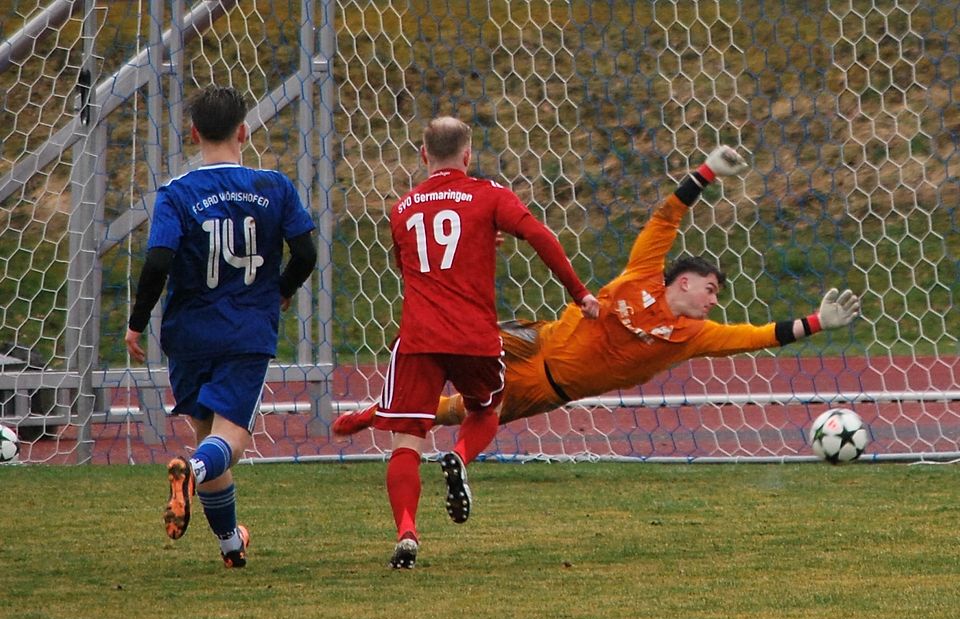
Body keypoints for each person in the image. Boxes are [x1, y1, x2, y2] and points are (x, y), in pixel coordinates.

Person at [333, 144, 861, 439]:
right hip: (533, 339)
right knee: (458, 344)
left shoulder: (693, 336)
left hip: (551, 389)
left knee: (456, 412)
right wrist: (705, 173)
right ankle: (392, 405)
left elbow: (758, 336)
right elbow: (665, 218)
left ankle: (379, 419)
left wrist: (816, 322)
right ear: (683, 280)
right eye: (711, 287)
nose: (714, 298)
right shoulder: (641, 273)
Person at [375, 116, 599, 569]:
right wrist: (580, 293)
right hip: (473, 335)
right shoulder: (489, 194)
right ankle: (459, 456)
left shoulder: (401, 209)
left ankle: (407, 532)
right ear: (468, 155)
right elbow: (540, 235)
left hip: (419, 337)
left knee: (407, 439)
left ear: (423, 155)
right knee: (486, 410)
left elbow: (410, 268)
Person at [125, 85, 317, 568]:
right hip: (245, 330)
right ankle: (189, 472)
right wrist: (282, 288)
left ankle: (231, 545)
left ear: (193, 133)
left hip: (188, 333)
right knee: (229, 441)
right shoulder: (274, 186)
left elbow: (159, 260)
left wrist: (137, 320)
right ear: (243, 131)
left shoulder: (177, 193)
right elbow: (308, 253)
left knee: (207, 434)